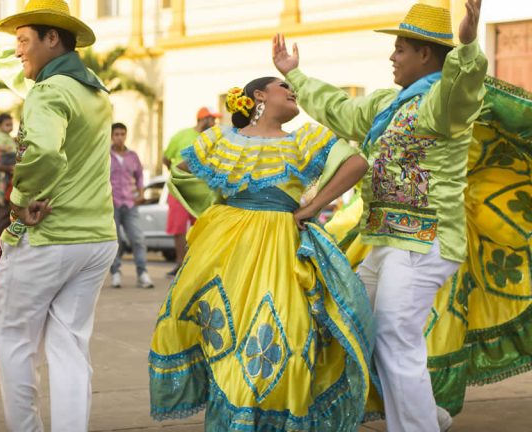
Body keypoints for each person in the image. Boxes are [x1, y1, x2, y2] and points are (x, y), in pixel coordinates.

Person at [273, 1, 486, 431]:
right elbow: (340, 109)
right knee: (354, 325)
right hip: (385, 242)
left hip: (424, 242)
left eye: (400, 49)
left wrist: (467, 46)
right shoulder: (388, 103)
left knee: (394, 337)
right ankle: (430, 415)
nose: (392, 57)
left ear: (425, 54)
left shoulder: (442, 102)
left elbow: (463, 86)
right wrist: (295, 74)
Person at [149, 75, 375, 430]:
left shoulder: (303, 139)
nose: (292, 91)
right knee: (229, 334)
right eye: (283, 87)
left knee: (289, 333)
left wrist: (312, 206)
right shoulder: (221, 139)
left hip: (282, 243)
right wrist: (218, 204)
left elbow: (356, 164)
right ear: (259, 96)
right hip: (229, 249)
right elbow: (182, 174)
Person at [0, 0, 118, 430]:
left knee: (15, 339)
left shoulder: (49, 91)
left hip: (48, 237)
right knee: (70, 348)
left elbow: (42, 153)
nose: (18, 50)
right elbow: (22, 74)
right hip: (97, 240)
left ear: (51, 38)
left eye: (23, 40)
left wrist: (20, 200)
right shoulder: (92, 89)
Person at [162, 107, 220, 277]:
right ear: (203, 119)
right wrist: (178, 175)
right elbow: (166, 158)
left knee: (204, 226)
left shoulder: (214, 138)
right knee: (178, 228)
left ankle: (198, 263)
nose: (214, 123)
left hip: (204, 191)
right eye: (212, 119)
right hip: (179, 190)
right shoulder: (182, 135)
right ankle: (180, 264)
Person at [109, 122, 153, 288]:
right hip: (111, 204)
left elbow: (139, 176)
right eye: (116, 134)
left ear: (126, 136)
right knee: (115, 240)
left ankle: (142, 273)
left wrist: (141, 194)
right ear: (112, 136)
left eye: (122, 134)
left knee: (137, 238)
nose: (119, 137)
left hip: (130, 203)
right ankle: (115, 272)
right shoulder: (106, 156)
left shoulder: (132, 156)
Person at [0, 113, 16, 233]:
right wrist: (10, 168)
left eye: (11, 125)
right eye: (7, 125)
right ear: (0, 126)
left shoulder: (9, 138)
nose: (10, 127)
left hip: (12, 190)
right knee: (3, 220)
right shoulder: (0, 138)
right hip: (6, 190)